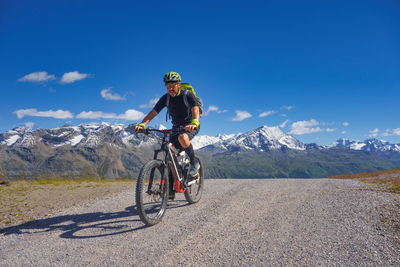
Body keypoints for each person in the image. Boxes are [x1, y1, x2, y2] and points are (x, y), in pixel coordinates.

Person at [134, 72, 200, 199]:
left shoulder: (187, 95)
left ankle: (193, 162)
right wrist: (143, 124)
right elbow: (154, 112)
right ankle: (171, 187)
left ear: (178, 84)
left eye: (173, 85)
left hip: (189, 125)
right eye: (168, 85)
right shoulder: (166, 98)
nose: (170, 88)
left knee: (183, 138)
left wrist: (194, 122)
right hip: (175, 128)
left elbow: (195, 109)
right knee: (170, 154)